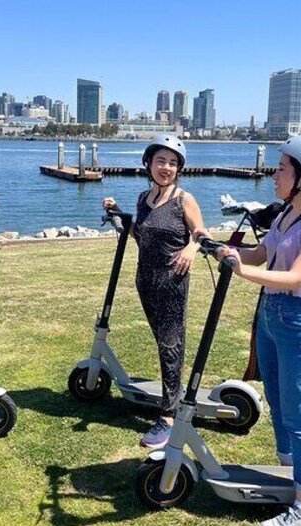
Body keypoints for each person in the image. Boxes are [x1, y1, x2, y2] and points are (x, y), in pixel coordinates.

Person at [196, 135, 301, 526]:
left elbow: (295, 277)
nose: (275, 174)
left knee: (298, 411)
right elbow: (261, 253)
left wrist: (242, 271)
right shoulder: (286, 215)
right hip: (271, 316)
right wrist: (223, 251)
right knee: (279, 404)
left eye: (282, 168)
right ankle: (290, 473)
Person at [102, 135, 206, 449]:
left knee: (171, 346)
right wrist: (119, 212)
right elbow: (140, 237)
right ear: (149, 163)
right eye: (161, 160)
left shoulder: (182, 199)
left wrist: (191, 247)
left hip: (172, 282)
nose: (166, 167)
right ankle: (171, 399)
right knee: (162, 344)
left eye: (173, 163)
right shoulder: (143, 198)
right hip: (145, 281)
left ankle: (169, 417)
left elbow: (202, 232)